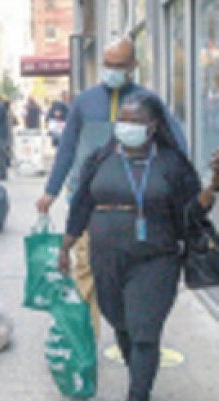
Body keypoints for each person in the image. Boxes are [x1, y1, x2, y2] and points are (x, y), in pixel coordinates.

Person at [59, 93, 215, 401]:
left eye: (134, 121)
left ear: (153, 126)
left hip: (155, 260)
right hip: (106, 257)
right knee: (122, 325)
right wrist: (66, 245)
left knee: (145, 331)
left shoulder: (172, 164)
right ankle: (140, 376)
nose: (125, 127)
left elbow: (191, 214)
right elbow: (81, 203)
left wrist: (212, 188)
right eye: (122, 120)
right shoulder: (101, 158)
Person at [37, 36, 187, 337]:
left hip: (136, 208)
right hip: (90, 204)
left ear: (134, 66)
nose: (112, 70)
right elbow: (67, 148)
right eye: (107, 64)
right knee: (85, 273)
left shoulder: (148, 103)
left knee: (125, 277)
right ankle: (85, 342)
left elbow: (175, 145)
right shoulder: (84, 102)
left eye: (119, 65)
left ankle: (131, 333)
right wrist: (51, 191)